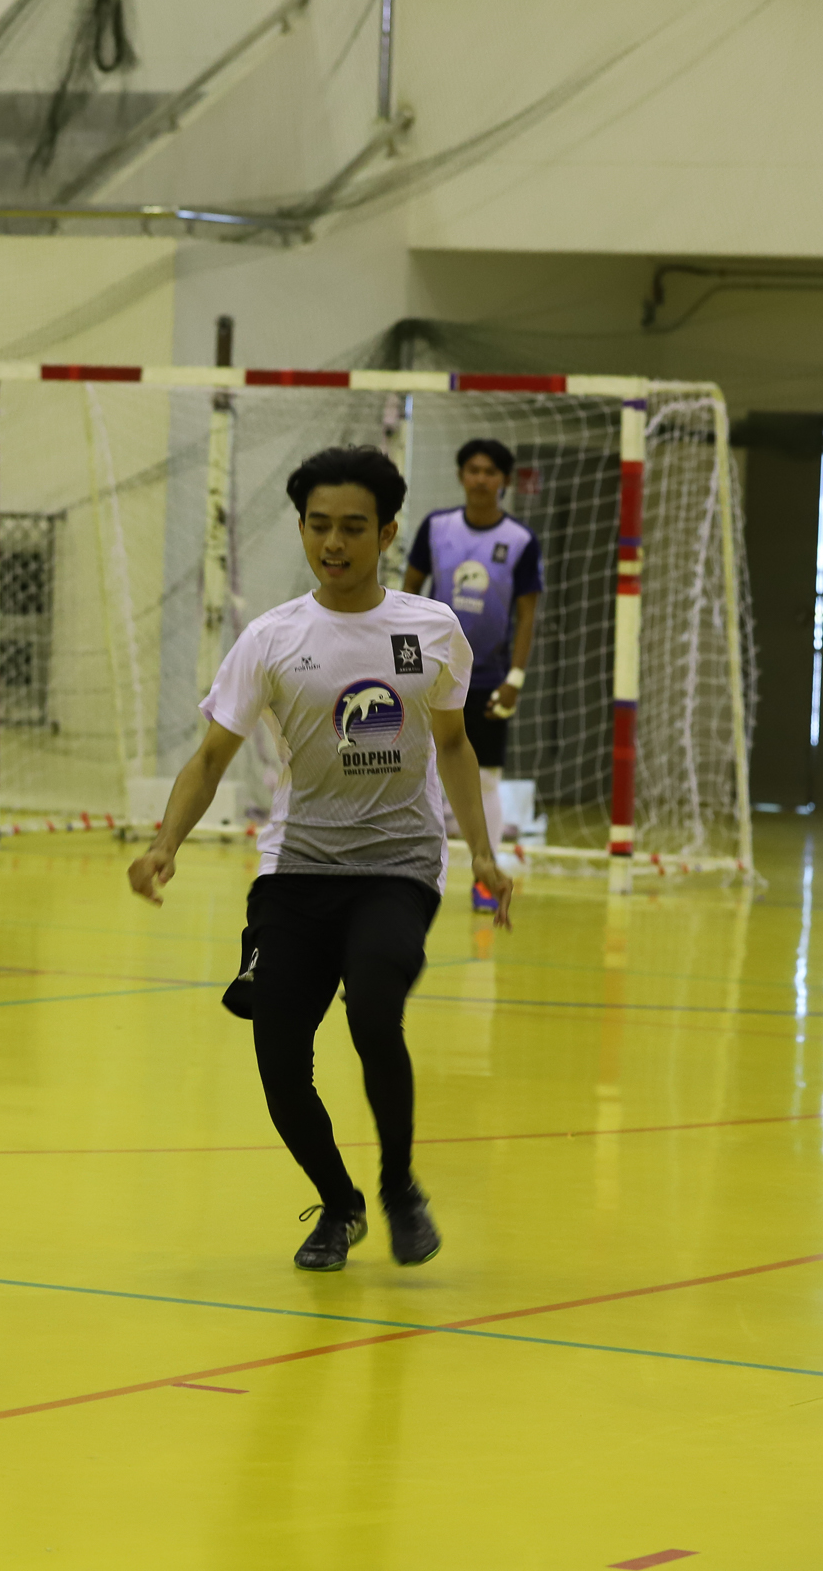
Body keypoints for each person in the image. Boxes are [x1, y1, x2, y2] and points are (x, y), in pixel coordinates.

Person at [129, 446, 512, 1274]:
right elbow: (210, 758)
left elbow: (454, 744)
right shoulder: (271, 639)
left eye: (353, 527)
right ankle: (340, 1204)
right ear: (302, 527)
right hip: (297, 870)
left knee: (374, 1010)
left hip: (398, 867)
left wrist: (481, 851)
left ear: (388, 533)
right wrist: (165, 844)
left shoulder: (431, 630)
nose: (333, 543)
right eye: (318, 525)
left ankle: (399, 1186)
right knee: (278, 1057)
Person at [400, 437, 542, 911]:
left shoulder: (520, 540)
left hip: (488, 679)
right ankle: (407, 875)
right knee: (413, 772)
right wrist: (406, 664)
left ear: (504, 480)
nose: (481, 479)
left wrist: (514, 679)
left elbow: (527, 613)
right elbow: (408, 594)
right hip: (433, 674)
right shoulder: (436, 527)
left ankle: (486, 877)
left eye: (490, 471)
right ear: (461, 475)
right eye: (473, 470)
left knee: (486, 779)